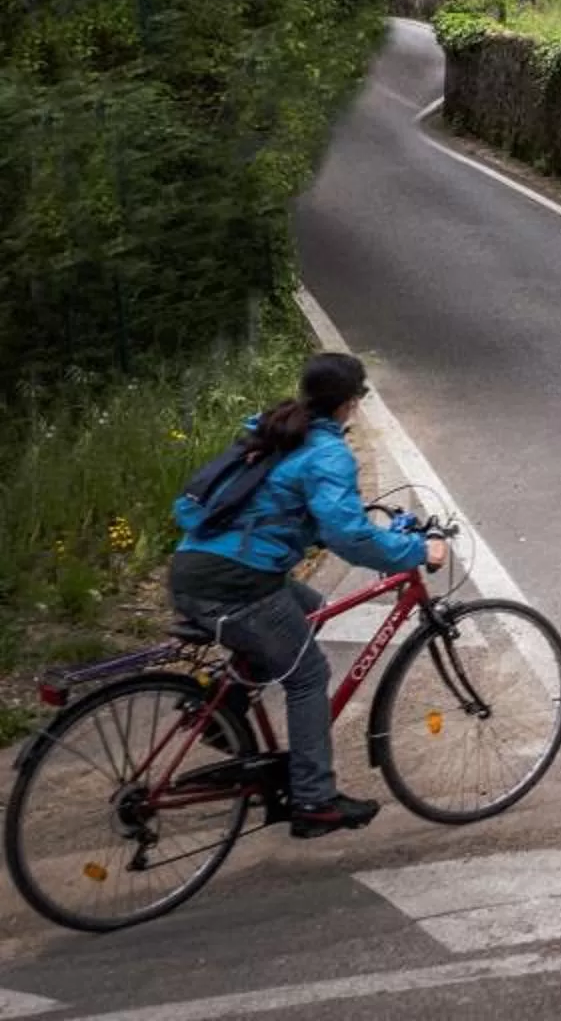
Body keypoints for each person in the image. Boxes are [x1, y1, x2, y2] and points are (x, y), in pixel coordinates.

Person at [167, 351, 446, 838]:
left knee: (312, 610)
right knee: (307, 674)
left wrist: (310, 530)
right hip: (236, 581)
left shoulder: (280, 430)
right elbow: (350, 538)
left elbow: (271, 503)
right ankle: (314, 801)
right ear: (351, 403)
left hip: (196, 566)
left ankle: (224, 713)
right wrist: (417, 548)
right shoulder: (326, 452)